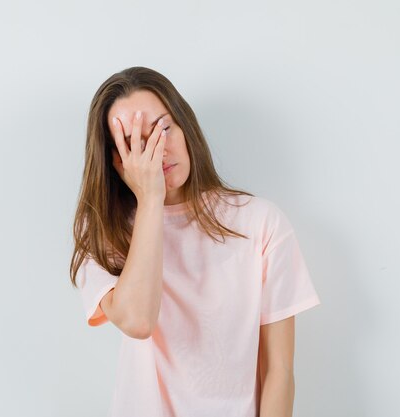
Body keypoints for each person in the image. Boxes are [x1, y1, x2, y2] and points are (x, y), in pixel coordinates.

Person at [70, 66, 321, 417]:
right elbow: (138, 320)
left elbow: (279, 370)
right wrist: (151, 199)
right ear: (115, 160)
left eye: (162, 129)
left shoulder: (261, 222)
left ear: (184, 125)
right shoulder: (100, 230)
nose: (157, 150)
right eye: (134, 144)